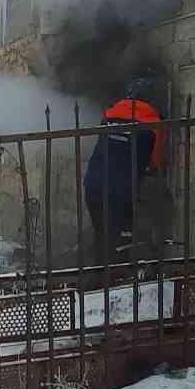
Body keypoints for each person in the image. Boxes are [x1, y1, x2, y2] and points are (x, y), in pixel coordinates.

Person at [83, 83, 165, 262]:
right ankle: (116, 279)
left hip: (93, 184)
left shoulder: (109, 115)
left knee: (102, 235)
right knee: (118, 239)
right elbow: (154, 163)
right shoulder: (153, 123)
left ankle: (97, 276)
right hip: (120, 190)